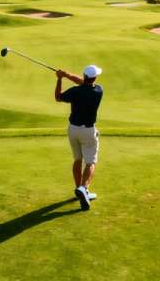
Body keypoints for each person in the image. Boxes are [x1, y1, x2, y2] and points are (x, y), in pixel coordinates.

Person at [55, 64, 104, 211]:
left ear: (84, 76)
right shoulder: (98, 90)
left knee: (77, 159)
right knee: (90, 162)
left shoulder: (75, 91)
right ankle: (83, 188)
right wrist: (67, 74)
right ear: (94, 78)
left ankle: (79, 190)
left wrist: (60, 79)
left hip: (73, 130)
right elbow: (83, 84)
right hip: (88, 131)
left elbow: (58, 97)